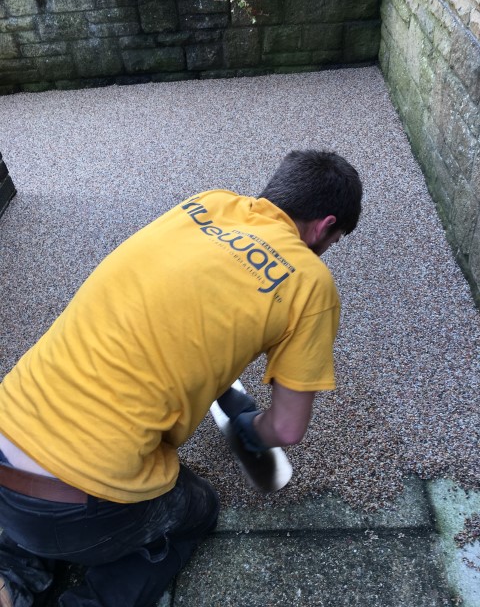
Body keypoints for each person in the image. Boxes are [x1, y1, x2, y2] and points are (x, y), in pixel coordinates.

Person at [0, 149, 362, 606]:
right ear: (325, 226)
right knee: (196, 510)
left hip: (6, 434)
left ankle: (11, 576)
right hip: (84, 504)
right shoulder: (310, 283)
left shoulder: (208, 203)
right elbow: (287, 428)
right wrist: (249, 428)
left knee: (33, 520)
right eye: (334, 240)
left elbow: (182, 302)